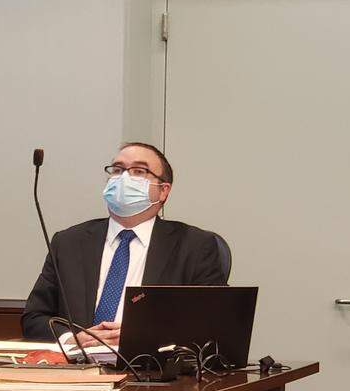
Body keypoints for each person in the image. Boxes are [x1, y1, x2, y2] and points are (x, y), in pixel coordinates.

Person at [21, 142, 229, 345]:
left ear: (163, 190)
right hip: (78, 370)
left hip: (152, 371)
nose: (124, 178)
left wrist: (142, 336)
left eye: (139, 171)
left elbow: (211, 323)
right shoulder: (68, 243)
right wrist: (73, 340)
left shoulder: (194, 246)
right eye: (118, 169)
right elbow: (34, 318)